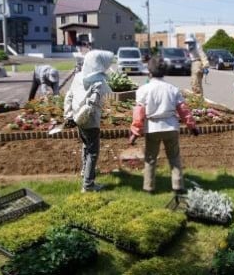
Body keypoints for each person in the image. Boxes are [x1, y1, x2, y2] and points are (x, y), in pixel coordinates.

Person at [129, 57, 200, 194]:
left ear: (149, 71)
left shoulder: (144, 89)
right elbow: (184, 111)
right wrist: (192, 127)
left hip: (152, 128)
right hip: (171, 127)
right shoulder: (173, 89)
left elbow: (139, 113)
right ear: (164, 72)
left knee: (150, 158)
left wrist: (135, 132)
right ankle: (178, 186)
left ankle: (149, 187)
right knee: (174, 158)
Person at [63, 50, 113, 193]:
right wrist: (86, 113)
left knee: (86, 145)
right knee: (93, 152)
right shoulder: (98, 82)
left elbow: (69, 96)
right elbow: (93, 103)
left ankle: (85, 172)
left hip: (78, 119)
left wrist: (69, 115)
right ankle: (88, 185)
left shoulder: (78, 76)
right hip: (90, 121)